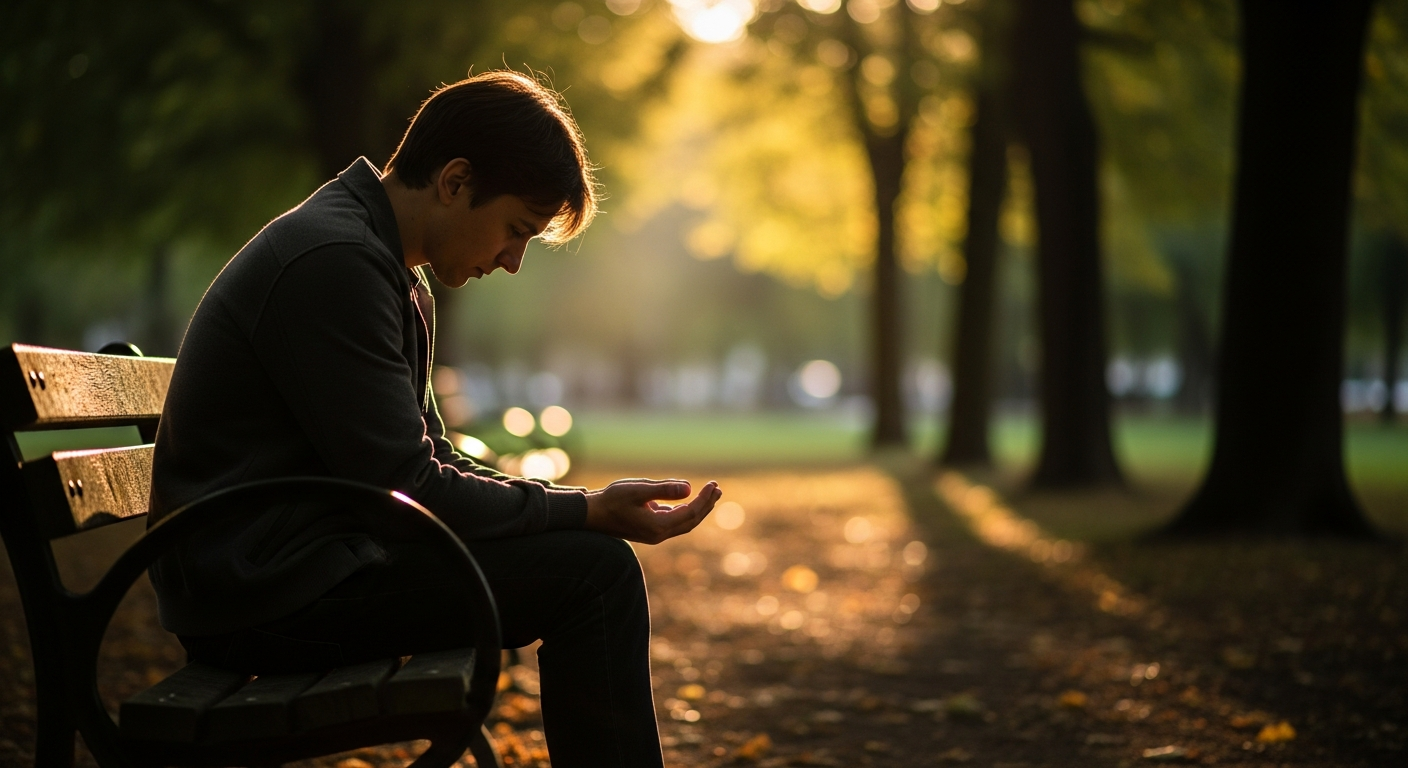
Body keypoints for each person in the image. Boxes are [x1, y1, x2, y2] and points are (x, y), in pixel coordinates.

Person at [147, 71, 720, 767]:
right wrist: (586, 513)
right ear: (454, 181)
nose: (512, 262)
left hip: (295, 565)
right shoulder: (339, 263)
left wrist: (581, 505)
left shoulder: (383, 267)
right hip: (262, 595)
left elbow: (430, 464)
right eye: (516, 230)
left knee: (594, 568)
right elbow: (409, 485)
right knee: (594, 577)